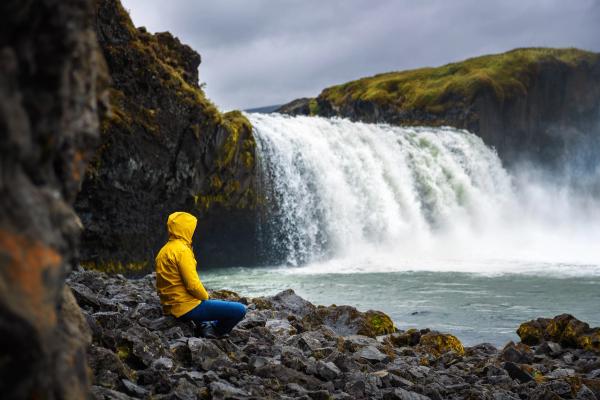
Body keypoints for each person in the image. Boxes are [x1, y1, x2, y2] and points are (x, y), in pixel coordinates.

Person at [155, 211, 246, 338]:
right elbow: (192, 285)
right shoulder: (182, 251)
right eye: (192, 228)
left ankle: (203, 324)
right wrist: (205, 297)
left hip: (170, 307)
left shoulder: (163, 250)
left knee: (209, 305)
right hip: (187, 308)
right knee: (240, 310)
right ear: (186, 229)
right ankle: (214, 330)